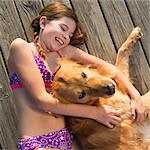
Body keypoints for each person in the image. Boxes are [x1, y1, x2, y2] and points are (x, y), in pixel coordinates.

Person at [8, 2, 144, 150]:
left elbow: (109, 68)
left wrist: (136, 96)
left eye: (70, 34)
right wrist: (96, 113)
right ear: (43, 22)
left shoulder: (65, 53)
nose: (65, 36)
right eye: (63, 28)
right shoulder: (21, 48)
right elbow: (42, 101)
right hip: (37, 143)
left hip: (68, 141)